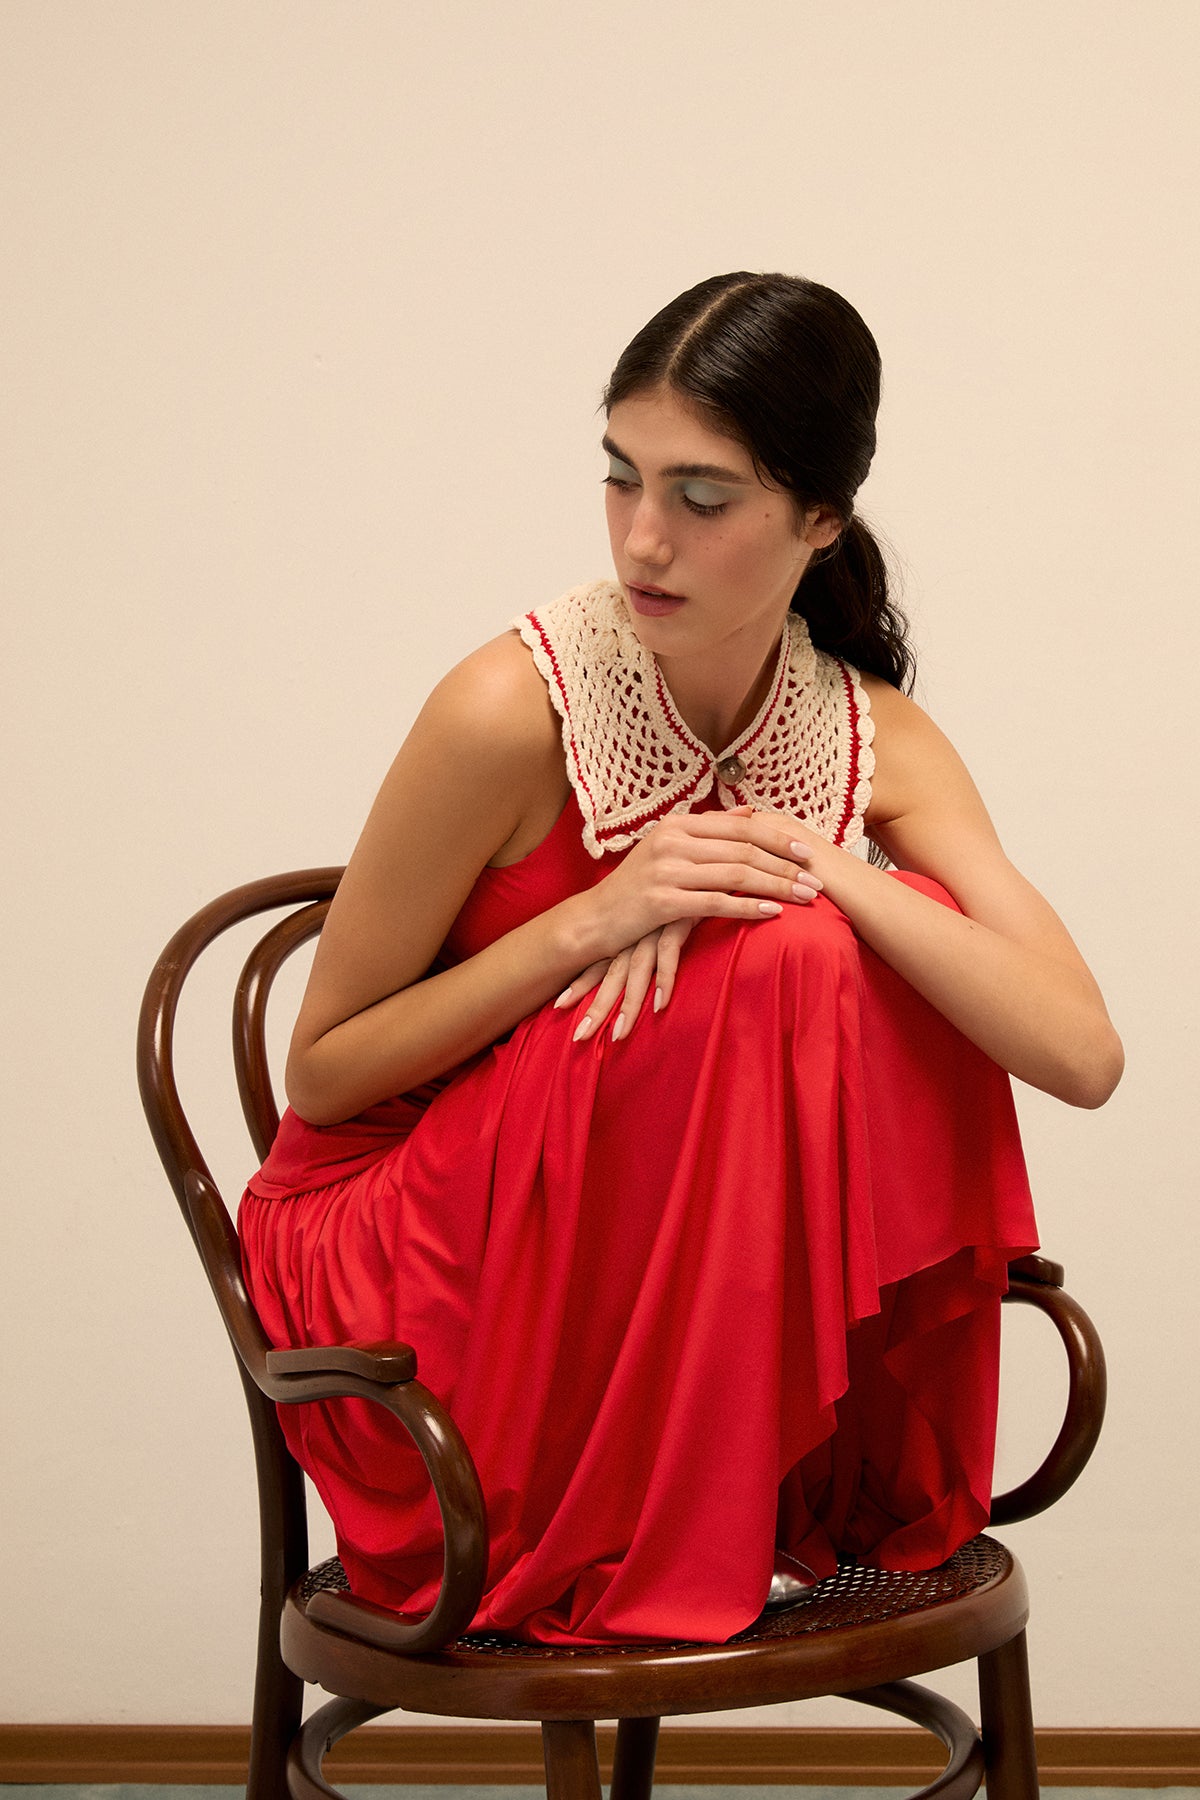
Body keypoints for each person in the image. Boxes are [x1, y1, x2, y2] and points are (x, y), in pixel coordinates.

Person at [239, 271, 1123, 1647]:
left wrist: (827, 861)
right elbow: (324, 1077)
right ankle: (681, 1493)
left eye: (701, 497)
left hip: (654, 1255)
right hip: (414, 1278)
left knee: (855, 939)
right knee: (796, 963)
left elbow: (1080, 1054)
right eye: (621, 478)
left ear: (821, 520)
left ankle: (739, 1468)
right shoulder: (507, 710)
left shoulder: (869, 736)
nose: (643, 539)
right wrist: (592, 920)